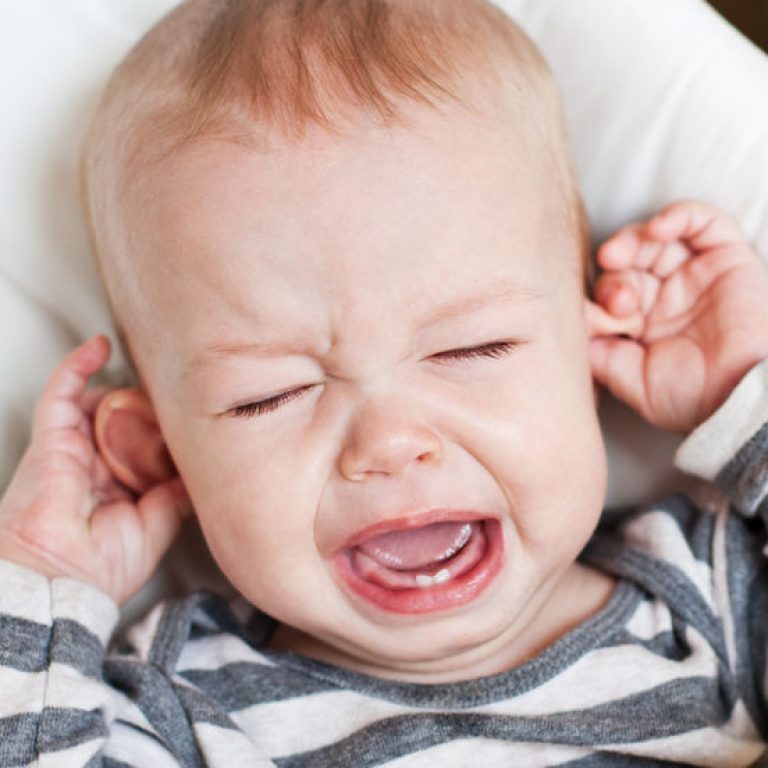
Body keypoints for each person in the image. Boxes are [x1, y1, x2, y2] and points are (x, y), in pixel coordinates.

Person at [1, 0, 768, 764]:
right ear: (164, 454)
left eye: (474, 348)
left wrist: (742, 391)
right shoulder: (178, 718)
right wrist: (46, 578)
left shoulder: (710, 607)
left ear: (591, 348)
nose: (391, 442)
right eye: (270, 393)